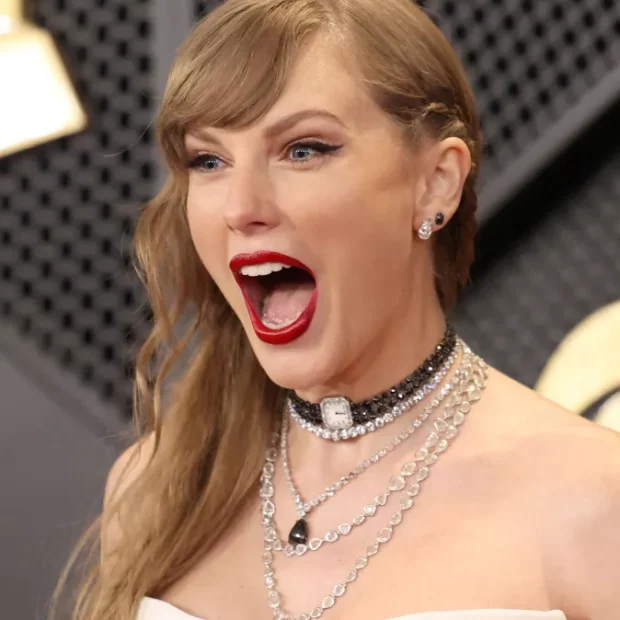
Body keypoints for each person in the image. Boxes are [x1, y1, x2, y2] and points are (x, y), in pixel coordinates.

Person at [51, 1, 620, 619]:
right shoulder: (152, 488)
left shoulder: (594, 502)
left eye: (303, 150)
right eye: (208, 161)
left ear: (437, 181)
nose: (241, 207)